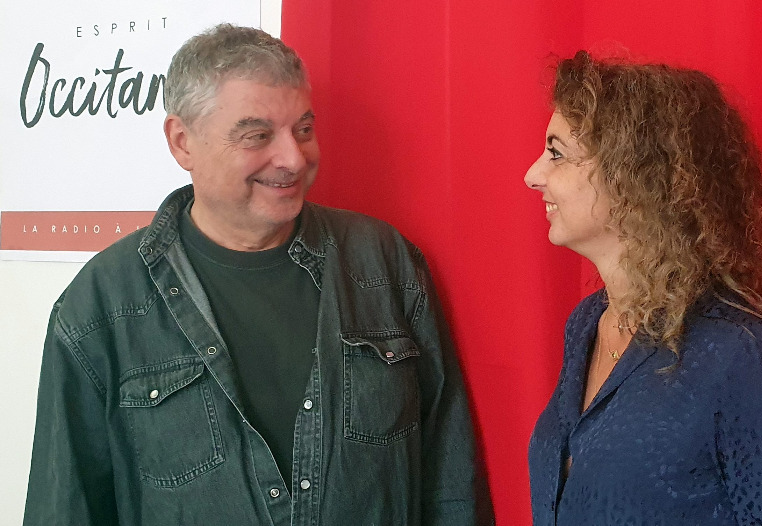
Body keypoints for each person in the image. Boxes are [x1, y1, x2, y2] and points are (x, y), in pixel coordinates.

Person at [24, 24, 488, 525]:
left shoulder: (385, 263)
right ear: (182, 142)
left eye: (303, 130)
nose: (293, 159)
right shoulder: (99, 307)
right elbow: (64, 509)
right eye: (257, 136)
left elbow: (450, 486)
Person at [525, 51, 762, 524]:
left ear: (635, 175)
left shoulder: (749, 358)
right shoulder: (587, 324)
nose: (532, 175)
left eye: (557, 153)